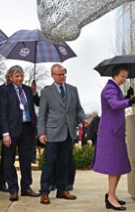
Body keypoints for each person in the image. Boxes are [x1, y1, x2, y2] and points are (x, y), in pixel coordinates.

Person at [91, 64, 135, 211]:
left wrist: (127, 97)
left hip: (115, 132)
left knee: (118, 165)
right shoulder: (110, 88)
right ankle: (111, 197)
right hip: (110, 133)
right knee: (114, 166)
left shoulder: (114, 88)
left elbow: (117, 103)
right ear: (115, 75)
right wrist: (130, 101)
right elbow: (114, 104)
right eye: (122, 77)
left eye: (125, 77)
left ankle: (111, 195)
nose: (124, 80)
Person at [37, 63, 88, 205]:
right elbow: (42, 115)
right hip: (52, 132)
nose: (62, 77)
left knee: (64, 163)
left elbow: (78, 108)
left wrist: (83, 118)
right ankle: (44, 192)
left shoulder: (72, 90)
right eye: (59, 74)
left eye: (64, 74)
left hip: (68, 132)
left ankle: (62, 189)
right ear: (52, 75)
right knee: (49, 163)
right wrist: (41, 133)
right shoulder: (47, 92)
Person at [0, 65, 40, 201]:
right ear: (10, 77)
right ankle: (13, 189)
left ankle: (26, 187)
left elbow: (38, 104)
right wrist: (5, 133)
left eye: (21, 75)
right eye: (17, 76)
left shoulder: (28, 90)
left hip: (27, 128)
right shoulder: (5, 91)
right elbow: (2, 113)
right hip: (11, 130)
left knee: (26, 160)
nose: (20, 78)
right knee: (9, 161)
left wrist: (34, 93)